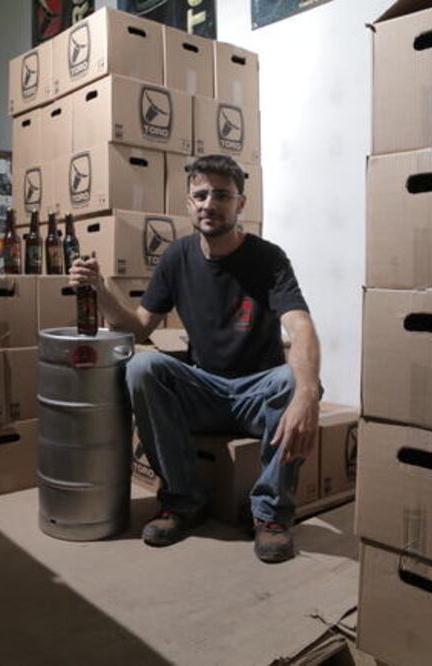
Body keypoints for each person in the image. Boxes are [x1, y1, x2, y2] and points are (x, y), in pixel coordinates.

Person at [68, 154, 321, 563]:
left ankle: (271, 515)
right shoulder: (176, 257)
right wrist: (100, 290)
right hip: (204, 389)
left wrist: (309, 390)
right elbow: (138, 329)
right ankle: (182, 501)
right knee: (142, 366)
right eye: (200, 195)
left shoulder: (268, 258)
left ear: (240, 204)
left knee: (292, 380)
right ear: (188, 203)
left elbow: (301, 326)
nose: (209, 203)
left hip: (257, 393)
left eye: (221, 194)